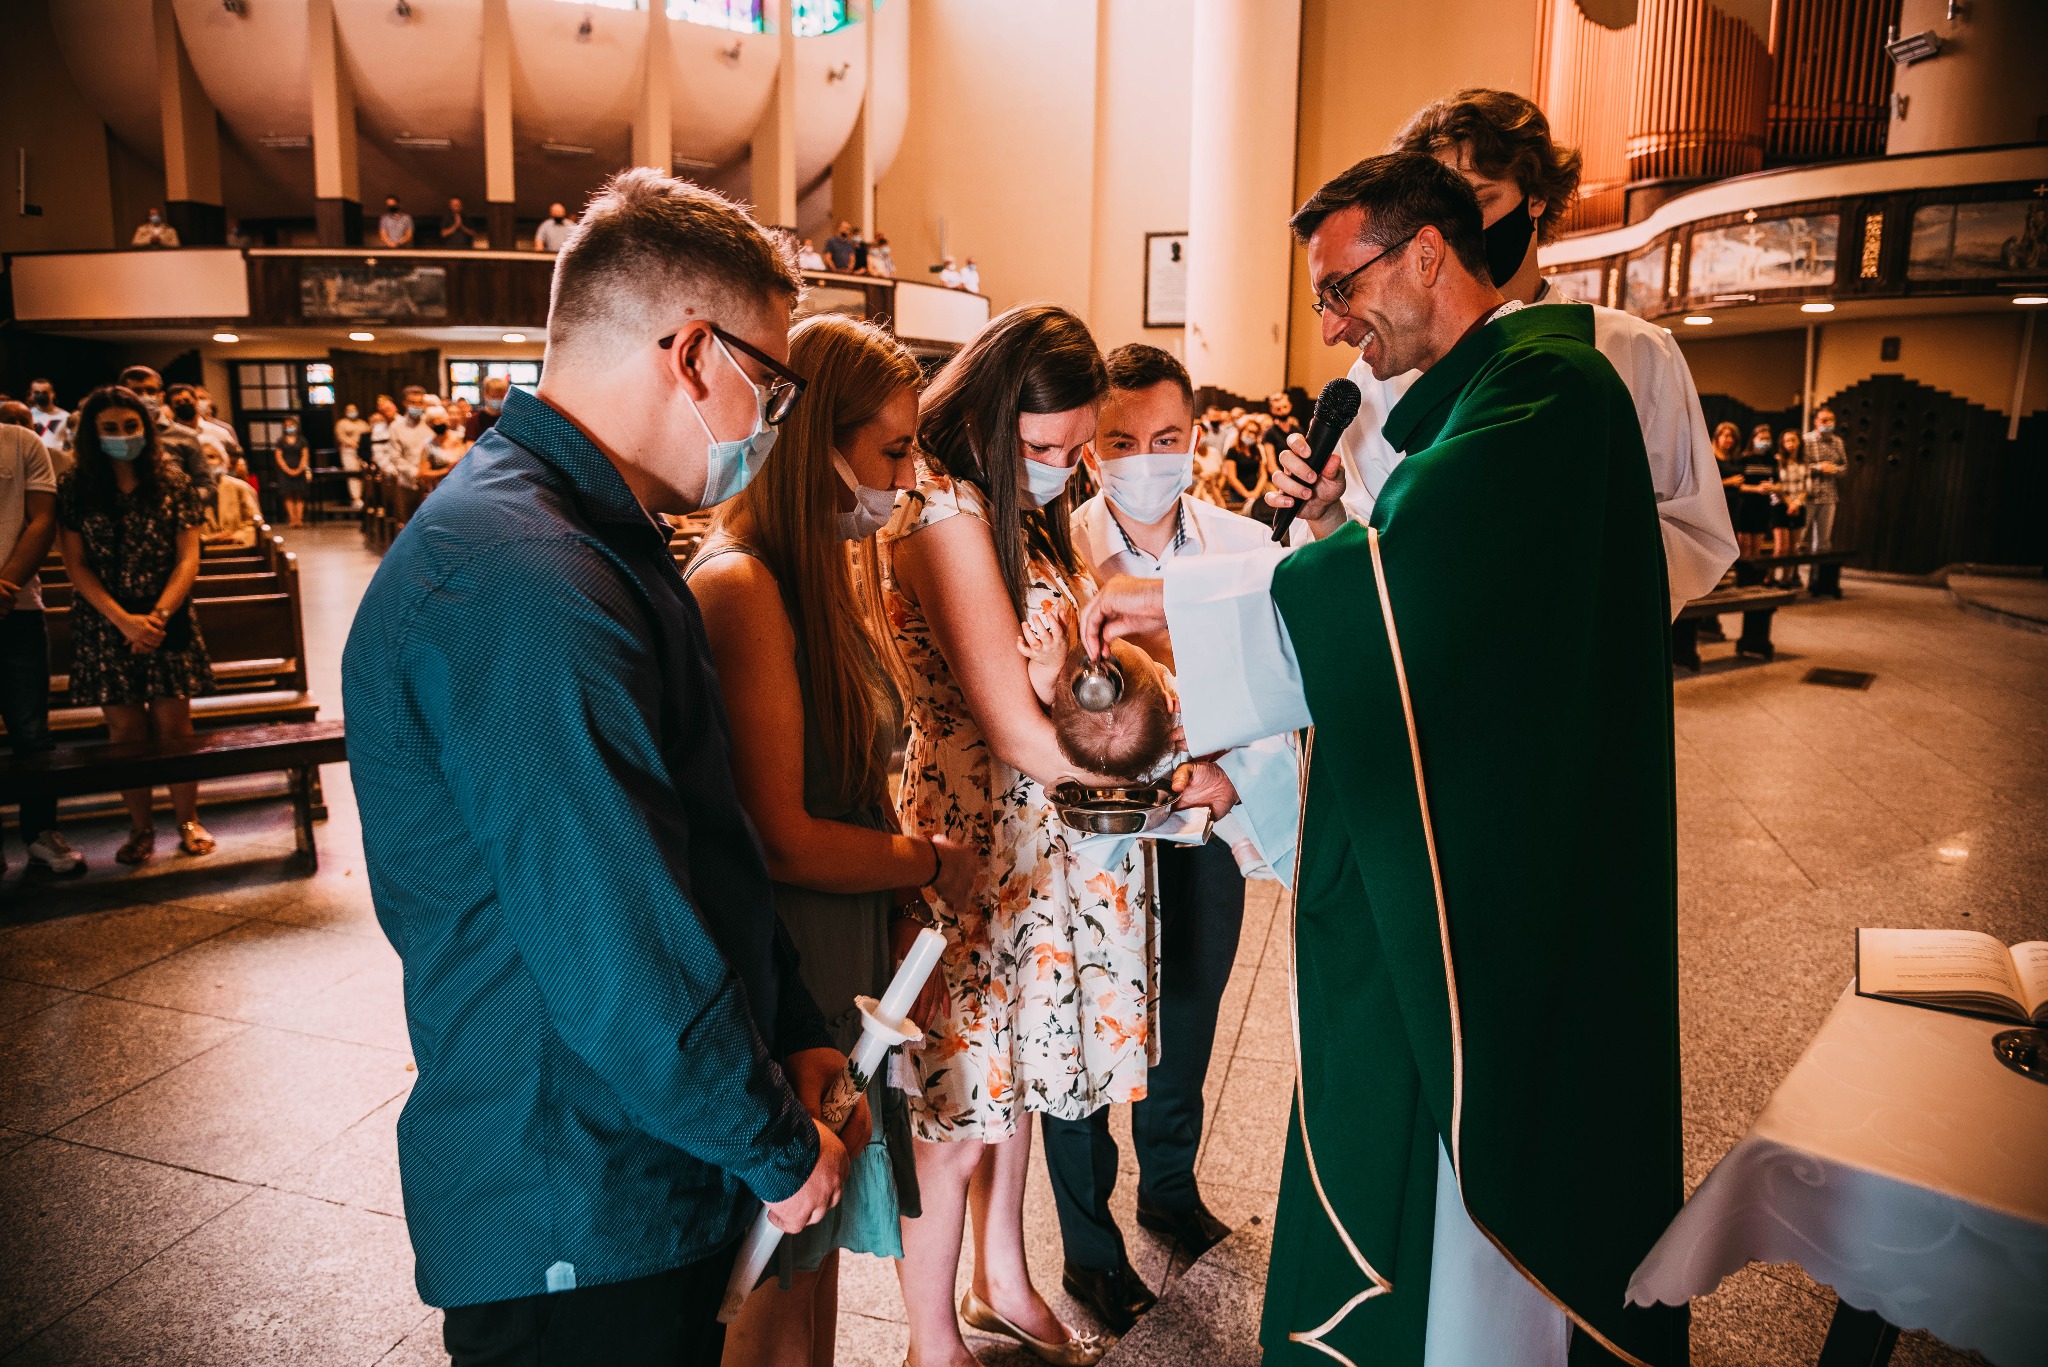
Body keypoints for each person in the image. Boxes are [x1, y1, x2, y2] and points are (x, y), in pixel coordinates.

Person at [1083, 151, 1687, 1367]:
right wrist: (1308, 537)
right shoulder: (1493, 396)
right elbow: (1413, 580)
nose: (1328, 323)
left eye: (1338, 287)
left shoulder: (1542, 390)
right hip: (1485, 822)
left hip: (1501, 861)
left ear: (1424, 254)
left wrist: (1176, 601)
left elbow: (1401, 594)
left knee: (1480, 1165)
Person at [344, 168, 855, 1367]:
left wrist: (789, 1023)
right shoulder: (523, 577)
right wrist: (772, 1142)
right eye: (773, 383)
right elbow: (609, 928)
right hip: (571, 1186)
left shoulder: (590, 535)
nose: (776, 418)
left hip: (639, 1146)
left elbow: (697, 833)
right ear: (694, 354)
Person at [877, 305, 1178, 1367]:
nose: (1061, 468)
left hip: (1039, 846)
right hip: (978, 837)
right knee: (958, 1107)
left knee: (1012, 1094)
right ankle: (929, 1342)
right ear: (991, 417)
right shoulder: (941, 507)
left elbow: (1077, 678)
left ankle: (1000, 1280)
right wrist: (1156, 783)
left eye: (1075, 449)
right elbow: (1012, 724)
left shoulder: (1013, 506)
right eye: (1043, 446)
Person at [689, 314, 978, 1367]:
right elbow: (782, 837)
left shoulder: (824, 570)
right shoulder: (743, 583)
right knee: (773, 1273)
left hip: (842, 944)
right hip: (786, 955)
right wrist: (929, 862)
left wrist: (902, 918)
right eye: (892, 450)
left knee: (812, 1273)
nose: (905, 479)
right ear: (819, 443)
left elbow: (856, 783)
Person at [1048, 344, 1302, 1331]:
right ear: (1091, 445)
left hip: (1200, 825)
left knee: (1188, 1011)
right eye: (1121, 441)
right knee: (1086, 1036)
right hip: (1095, 841)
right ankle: (1088, 1245)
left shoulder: (1242, 541)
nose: (1146, 459)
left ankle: (1168, 1184)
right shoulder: (1060, 543)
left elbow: (1284, 685)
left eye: (1166, 438)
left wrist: (1234, 773)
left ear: (1193, 436)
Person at [1323, 89, 1736, 616]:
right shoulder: (1378, 371)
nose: (1454, 232)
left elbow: (1696, 536)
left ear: (1535, 197)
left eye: (1476, 201)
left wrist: (1547, 548)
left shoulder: (1631, 350)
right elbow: (1360, 533)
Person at [56, 386, 217, 864]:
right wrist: (124, 622)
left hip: (167, 614)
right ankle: (140, 827)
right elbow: (75, 564)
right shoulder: (76, 486)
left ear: (146, 429)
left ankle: (188, 819)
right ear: (92, 434)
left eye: (131, 427)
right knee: (125, 732)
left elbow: (188, 558)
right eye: (110, 429)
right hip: (105, 619)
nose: (123, 436)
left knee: (174, 727)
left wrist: (157, 617)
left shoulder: (172, 481)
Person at [0, 421, 85, 876]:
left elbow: (42, 519)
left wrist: (5, 586)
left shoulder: (19, 441)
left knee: (31, 731)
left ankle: (40, 833)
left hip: (17, 608)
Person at [1804, 405, 1847, 555]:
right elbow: (1798, 466)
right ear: (1816, 422)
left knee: (1823, 542)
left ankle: (1817, 571)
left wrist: (1835, 469)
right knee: (1800, 536)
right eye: (1824, 420)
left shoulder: (1837, 442)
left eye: (1831, 420)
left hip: (1829, 495)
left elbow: (1845, 467)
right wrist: (1819, 467)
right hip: (1807, 495)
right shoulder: (1806, 440)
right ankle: (1792, 569)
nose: (1828, 423)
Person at [1770, 427, 1811, 587]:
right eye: (1787, 441)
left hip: (1798, 506)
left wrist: (1797, 503)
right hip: (1781, 505)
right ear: (1782, 443)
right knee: (1781, 547)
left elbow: (1807, 487)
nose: (1790, 444)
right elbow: (1776, 486)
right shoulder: (1778, 461)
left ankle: (1786, 578)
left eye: (1793, 440)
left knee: (1793, 548)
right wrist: (1789, 503)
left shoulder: (1804, 462)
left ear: (1799, 442)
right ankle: (1770, 576)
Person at [203, 448, 263, 548]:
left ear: (223, 461)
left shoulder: (241, 487)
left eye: (212, 457)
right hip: (202, 552)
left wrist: (235, 537)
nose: (207, 462)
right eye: (202, 457)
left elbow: (255, 523)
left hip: (240, 549)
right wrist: (207, 539)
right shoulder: (189, 492)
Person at [1734, 424, 1777, 563]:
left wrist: (1772, 487)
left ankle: (1755, 574)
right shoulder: (1743, 459)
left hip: (1763, 505)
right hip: (1745, 504)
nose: (1765, 442)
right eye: (1761, 438)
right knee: (1744, 546)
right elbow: (1737, 485)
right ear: (1753, 439)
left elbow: (1778, 482)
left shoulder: (1772, 460)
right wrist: (1756, 489)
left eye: (1767, 439)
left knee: (1757, 547)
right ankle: (1744, 573)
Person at [271, 415, 313, 526]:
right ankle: (292, 519)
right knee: (288, 495)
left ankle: (299, 519)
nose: (289, 427)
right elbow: (279, 456)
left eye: (291, 425)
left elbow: (305, 455)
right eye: (287, 426)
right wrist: (287, 469)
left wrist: (299, 469)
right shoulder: (281, 441)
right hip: (285, 471)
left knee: (299, 494)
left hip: (300, 469)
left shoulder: (302, 440)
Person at [415, 405, 467, 491]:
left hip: (462, 486)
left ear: (446, 420)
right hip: (441, 488)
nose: (437, 423)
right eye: (432, 421)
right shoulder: (428, 445)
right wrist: (446, 470)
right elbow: (423, 473)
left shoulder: (460, 438)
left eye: (439, 419)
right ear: (429, 425)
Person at [1223, 419, 1267, 514]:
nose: (1252, 435)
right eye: (1249, 431)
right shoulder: (1233, 451)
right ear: (1241, 431)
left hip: (1255, 493)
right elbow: (1231, 477)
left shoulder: (1256, 451)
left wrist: (1256, 492)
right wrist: (1246, 494)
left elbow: (1263, 475)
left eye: (1255, 433)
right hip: (1237, 495)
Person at [334, 402, 370, 509]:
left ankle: (365, 497)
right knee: (353, 473)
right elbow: (340, 436)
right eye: (349, 410)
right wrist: (351, 443)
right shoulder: (342, 423)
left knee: (364, 474)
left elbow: (368, 434)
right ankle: (355, 498)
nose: (352, 412)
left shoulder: (362, 423)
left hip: (362, 451)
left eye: (354, 410)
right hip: (349, 451)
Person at [26, 380, 71, 456]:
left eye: (44, 393)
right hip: (34, 458)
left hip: (58, 459)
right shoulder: (27, 415)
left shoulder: (65, 416)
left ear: (53, 394)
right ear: (31, 394)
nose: (40, 395)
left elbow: (72, 441)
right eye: (37, 392)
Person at [465, 376, 509, 442]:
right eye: (494, 397)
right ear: (485, 394)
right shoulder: (474, 421)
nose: (498, 399)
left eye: (501, 397)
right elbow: (469, 445)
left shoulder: (508, 420)